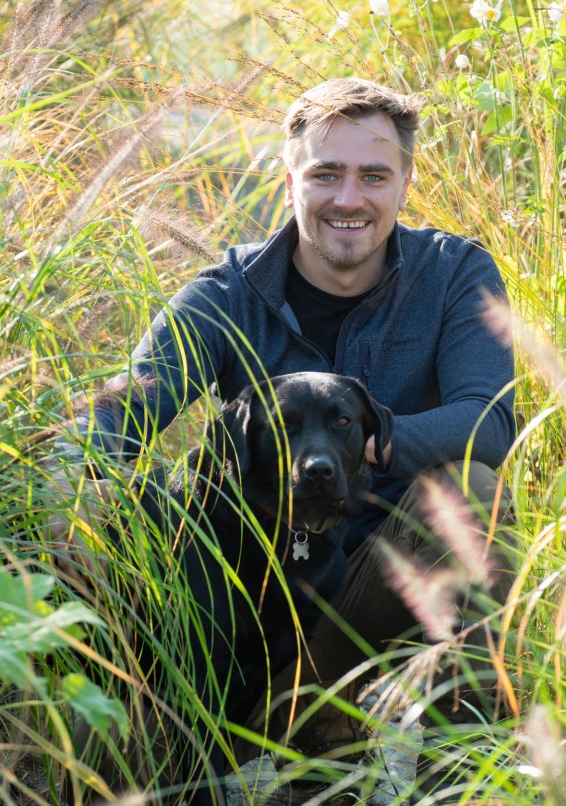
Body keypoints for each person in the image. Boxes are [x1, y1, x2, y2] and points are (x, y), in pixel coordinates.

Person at [55, 77, 516, 804]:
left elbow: (488, 420)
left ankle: (460, 780)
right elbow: (126, 407)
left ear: (404, 180)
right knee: (110, 506)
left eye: (373, 175)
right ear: (289, 176)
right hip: (241, 607)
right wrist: (65, 485)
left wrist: (360, 448)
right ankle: (164, 733)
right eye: (325, 174)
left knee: (475, 498)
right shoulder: (228, 294)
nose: (348, 199)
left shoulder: (454, 273)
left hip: (368, 598)